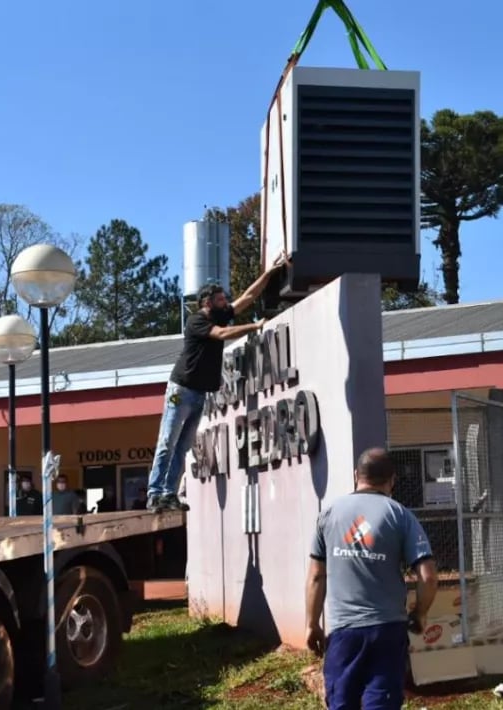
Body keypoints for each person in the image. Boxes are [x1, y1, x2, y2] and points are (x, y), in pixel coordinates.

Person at [146, 255, 286, 513]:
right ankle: (155, 493)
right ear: (207, 303)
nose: (226, 304)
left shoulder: (218, 316)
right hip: (181, 390)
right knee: (168, 441)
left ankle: (169, 494)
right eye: (221, 300)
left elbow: (247, 298)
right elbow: (221, 335)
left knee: (182, 446)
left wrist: (269, 272)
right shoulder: (198, 320)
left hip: (199, 393)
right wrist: (254, 325)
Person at [305, 448, 439, 710]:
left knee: (342, 703)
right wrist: (420, 613)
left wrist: (311, 624)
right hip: (387, 632)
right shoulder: (400, 515)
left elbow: (316, 576)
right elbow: (428, 576)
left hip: (344, 633)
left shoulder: (329, 514)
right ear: (392, 480)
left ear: (357, 475)